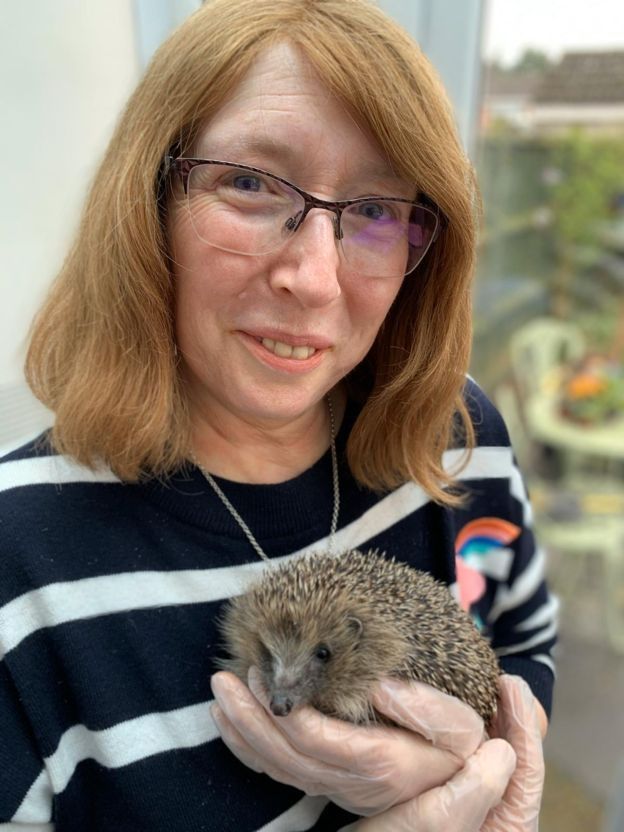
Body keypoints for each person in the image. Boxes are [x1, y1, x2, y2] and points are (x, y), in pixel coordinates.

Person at [0, 0, 555, 829]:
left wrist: (499, 757)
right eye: (250, 183)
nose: (314, 279)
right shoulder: (17, 560)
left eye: (375, 209)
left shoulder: (461, 437)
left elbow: (521, 641)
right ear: (147, 204)